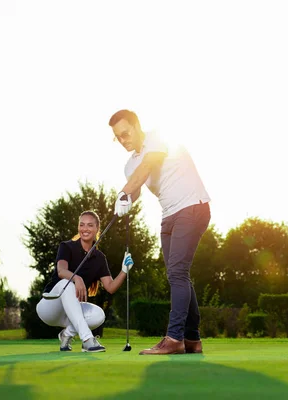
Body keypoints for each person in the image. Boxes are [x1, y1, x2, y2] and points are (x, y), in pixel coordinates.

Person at [110, 109, 211, 355]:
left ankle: (174, 338)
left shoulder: (157, 138)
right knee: (178, 275)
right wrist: (126, 201)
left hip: (192, 206)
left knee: (177, 273)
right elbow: (136, 189)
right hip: (168, 216)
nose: (123, 141)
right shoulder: (129, 165)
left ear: (136, 126)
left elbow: (148, 165)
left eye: (125, 134)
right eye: (117, 138)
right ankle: (192, 340)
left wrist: (123, 192)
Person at [36, 210, 134, 352]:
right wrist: (77, 278)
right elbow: (61, 271)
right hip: (50, 306)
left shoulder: (99, 258)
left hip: (71, 311)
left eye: (89, 225)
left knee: (99, 315)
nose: (85, 229)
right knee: (66, 283)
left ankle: (66, 334)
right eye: (82, 225)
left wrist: (124, 271)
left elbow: (110, 287)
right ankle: (87, 339)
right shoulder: (67, 246)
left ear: (96, 229)